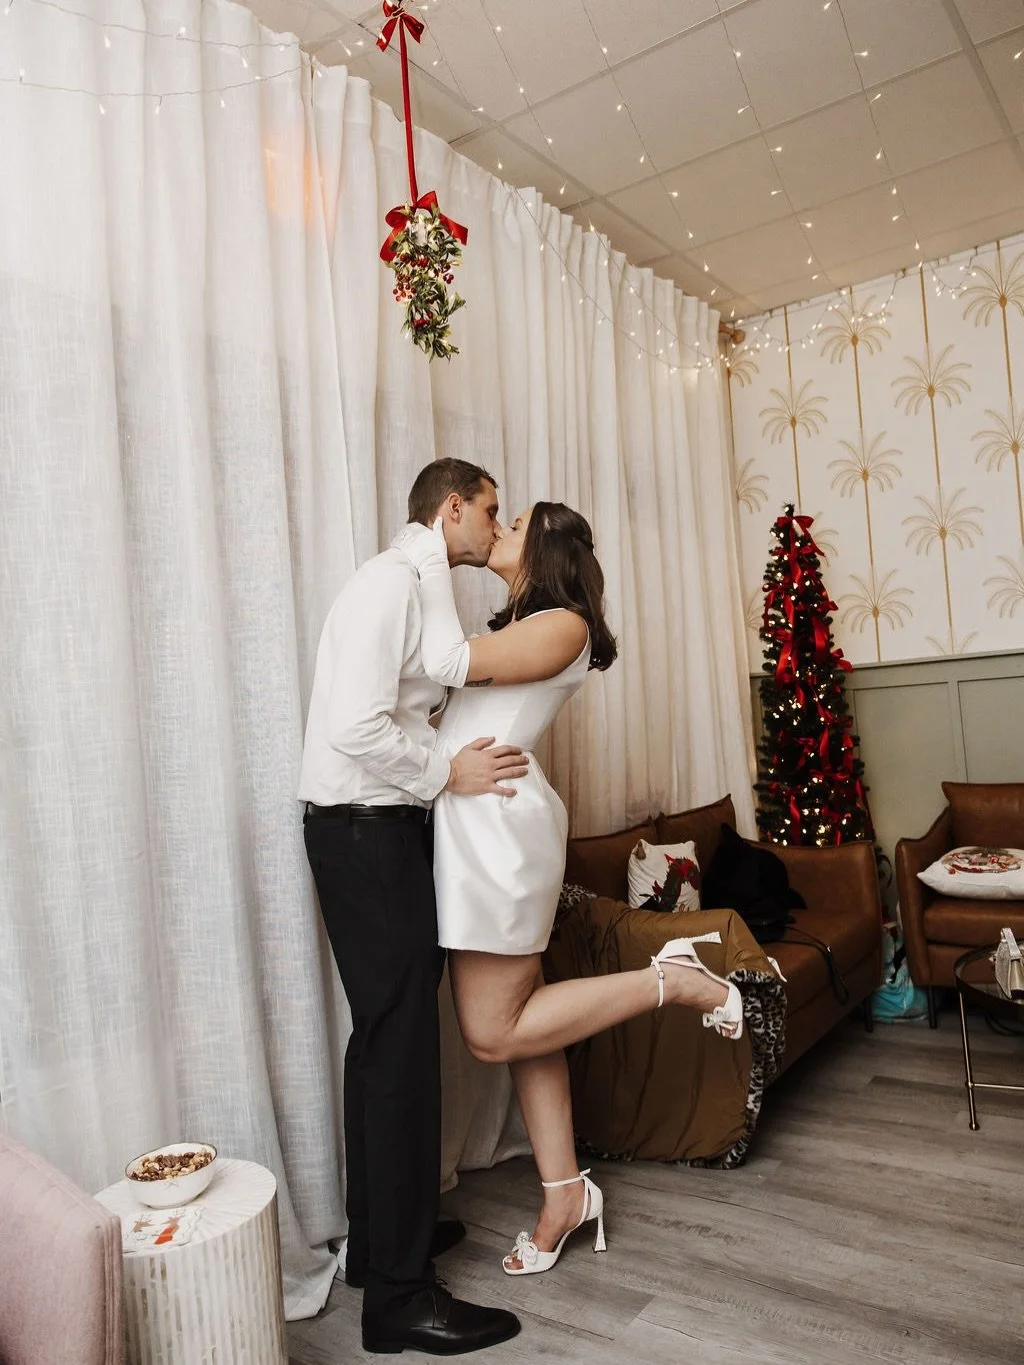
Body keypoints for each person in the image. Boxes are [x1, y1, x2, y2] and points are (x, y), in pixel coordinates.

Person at [396, 503, 743, 1277]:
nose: (500, 526)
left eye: (513, 520)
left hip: (495, 835)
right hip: (473, 826)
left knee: (493, 1030)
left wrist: (421, 551)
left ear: (547, 545)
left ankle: (674, 981)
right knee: (525, 1022)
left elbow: (448, 662)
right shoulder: (522, 621)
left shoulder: (565, 622)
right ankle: (564, 1194)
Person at [298, 459, 526, 1356]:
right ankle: (398, 1299)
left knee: (385, 1040)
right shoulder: (390, 585)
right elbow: (356, 724)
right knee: (399, 1051)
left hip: (375, 830)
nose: (495, 529)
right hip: (365, 831)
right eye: (492, 513)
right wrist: (446, 771)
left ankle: (379, 1243)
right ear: (453, 507)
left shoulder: (420, 586)